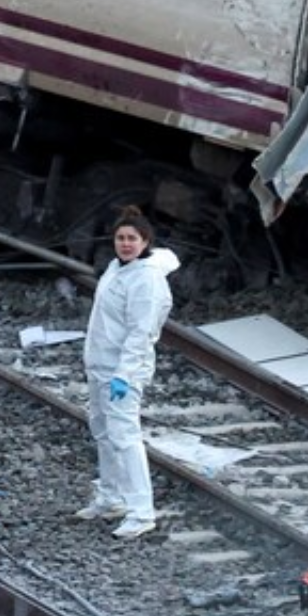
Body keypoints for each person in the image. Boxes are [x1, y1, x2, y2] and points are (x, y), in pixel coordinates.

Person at [79, 206, 178, 539]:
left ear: (145, 241)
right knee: (103, 433)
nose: (125, 244)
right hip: (100, 365)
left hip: (123, 371)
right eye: (120, 238)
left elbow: (141, 332)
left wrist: (125, 374)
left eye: (132, 239)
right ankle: (112, 496)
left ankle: (141, 510)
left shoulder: (147, 280)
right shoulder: (116, 268)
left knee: (125, 437)